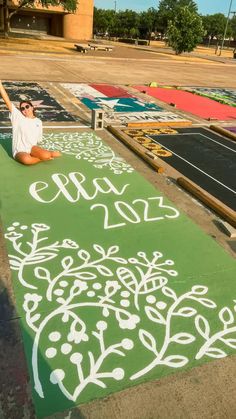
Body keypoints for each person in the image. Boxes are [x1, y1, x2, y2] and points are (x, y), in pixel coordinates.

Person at [0, 80, 61, 165]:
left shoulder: (38, 122)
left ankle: (46, 154)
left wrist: (39, 151)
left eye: (27, 106)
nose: (25, 109)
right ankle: (39, 158)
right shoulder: (18, 117)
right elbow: (6, 100)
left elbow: (38, 139)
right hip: (20, 150)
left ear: (32, 107)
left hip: (32, 148)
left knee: (46, 155)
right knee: (27, 160)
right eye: (22, 108)